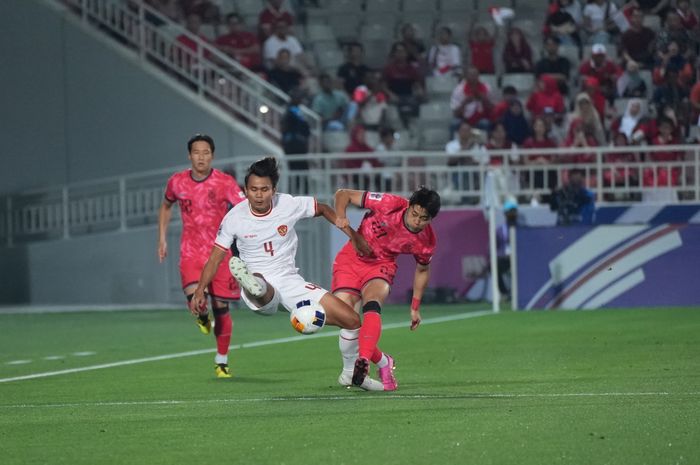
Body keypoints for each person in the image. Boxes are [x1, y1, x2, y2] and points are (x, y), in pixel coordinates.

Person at [190, 157, 385, 390]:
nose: (259, 195)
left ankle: (348, 373)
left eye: (264, 189)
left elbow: (323, 208)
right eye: (253, 189)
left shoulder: (288, 204)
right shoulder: (234, 218)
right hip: (260, 285)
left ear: (274, 190)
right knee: (261, 286)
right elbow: (215, 257)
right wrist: (200, 290)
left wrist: (353, 236)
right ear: (245, 190)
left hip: (291, 282)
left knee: (352, 320)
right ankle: (251, 283)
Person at [332, 187, 441, 390]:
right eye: (414, 214)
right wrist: (340, 216)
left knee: (373, 303)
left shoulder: (427, 241)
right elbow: (343, 194)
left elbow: (422, 269)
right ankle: (383, 362)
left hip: (382, 265)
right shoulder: (389, 204)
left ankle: (362, 361)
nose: (416, 221)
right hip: (351, 259)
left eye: (424, 218)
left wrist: (415, 306)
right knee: (347, 320)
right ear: (408, 206)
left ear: (431, 219)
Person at [158, 134, 246, 378]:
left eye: (206, 152)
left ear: (212, 155)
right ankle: (201, 315)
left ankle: (221, 361)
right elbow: (165, 206)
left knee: (222, 308)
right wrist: (162, 238)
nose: (201, 157)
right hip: (191, 252)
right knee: (196, 303)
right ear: (189, 155)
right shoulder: (177, 182)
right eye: (196, 152)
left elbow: (243, 209)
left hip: (220, 253)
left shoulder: (225, 183)